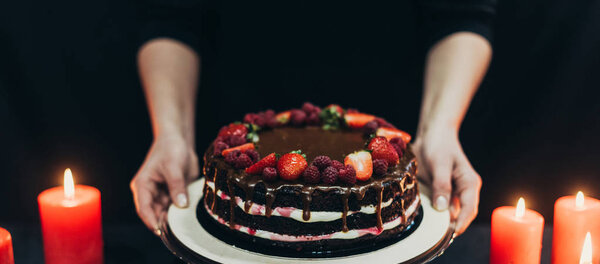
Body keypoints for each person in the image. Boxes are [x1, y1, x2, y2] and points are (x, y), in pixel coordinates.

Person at [131, 1, 496, 236]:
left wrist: (439, 129)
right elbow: (170, 13)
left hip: (390, 83)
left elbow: (462, 11)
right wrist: (171, 133)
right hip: (239, 87)